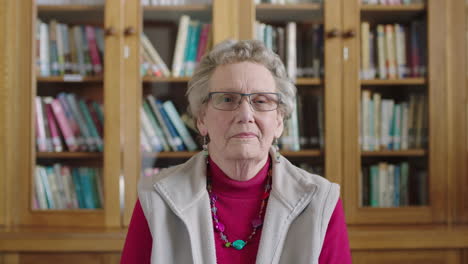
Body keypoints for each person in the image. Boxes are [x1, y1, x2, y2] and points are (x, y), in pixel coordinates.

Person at [120, 39, 351, 264]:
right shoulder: (156, 198)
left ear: (279, 121)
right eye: (228, 99)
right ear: (202, 118)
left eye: (261, 101)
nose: (245, 115)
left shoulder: (320, 200)